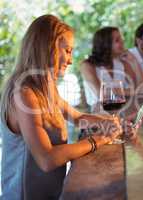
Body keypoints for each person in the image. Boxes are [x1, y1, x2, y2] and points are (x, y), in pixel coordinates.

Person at [0, 15, 122, 200]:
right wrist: (99, 140)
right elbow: (47, 159)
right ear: (47, 47)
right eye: (67, 50)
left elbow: (78, 118)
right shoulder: (24, 94)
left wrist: (112, 122)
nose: (71, 60)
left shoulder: (45, 88)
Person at [80, 27, 143, 106]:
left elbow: (141, 87)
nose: (122, 42)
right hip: (98, 113)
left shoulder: (122, 63)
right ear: (105, 44)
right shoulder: (87, 65)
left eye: (121, 39)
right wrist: (131, 91)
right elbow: (101, 94)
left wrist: (134, 62)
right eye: (117, 40)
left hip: (122, 110)